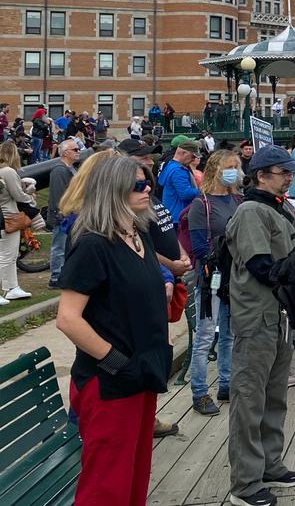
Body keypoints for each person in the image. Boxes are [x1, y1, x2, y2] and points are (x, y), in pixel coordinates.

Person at [55, 156, 171, 505]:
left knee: (134, 476)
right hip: (109, 383)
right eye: (138, 184)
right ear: (112, 190)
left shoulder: (138, 235)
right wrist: (117, 361)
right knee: (106, 487)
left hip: (142, 376)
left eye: (148, 181)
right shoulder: (93, 245)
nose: (147, 188)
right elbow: (68, 318)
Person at [225, 145, 295, 506]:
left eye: (290, 172)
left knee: (275, 396)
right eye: (282, 171)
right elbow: (261, 265)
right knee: (249, 399)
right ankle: (245, 483)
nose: (289, 177)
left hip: (281, 315)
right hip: (257, 316)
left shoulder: (283, 207)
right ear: (260, 175)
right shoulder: (251, 211)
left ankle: (270, 463)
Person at [187, 150, 241, 416]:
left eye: (236, 166)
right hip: (211, 279)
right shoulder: (202, 204)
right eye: (228, 166)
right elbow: (199, 247)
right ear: (215, 170)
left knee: (229, 334)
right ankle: (199, 391)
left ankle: (226, 382)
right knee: (206, 335)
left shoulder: (236, 199)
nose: (233, 170)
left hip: (233, 278)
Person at [0, 142, 41, 303]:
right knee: (6, 255)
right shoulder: (8, 172)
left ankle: (11, 287)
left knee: (9, 255)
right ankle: (9, 287)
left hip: (5, 215)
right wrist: (30, 197)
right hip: (8, 216)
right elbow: (17, 195)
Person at [46, 138, 80, 288]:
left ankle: (64, 273)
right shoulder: (59, 170)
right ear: (66, 153)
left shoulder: (70, 168)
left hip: (72, 214)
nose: (78, 152)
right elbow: (58, 195)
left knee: (67, 246)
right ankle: (56, 277)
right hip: (63, 216)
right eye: (75, 150)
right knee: (59, 247)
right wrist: (61, 215)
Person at [160, 139, 202, 223]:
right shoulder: (179, 170)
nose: (193, 159)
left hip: (171, 213)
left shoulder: (170, 165)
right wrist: (202, 192)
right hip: (179, 216)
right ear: (184, 153)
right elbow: (185, 194)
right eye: (193, 156)